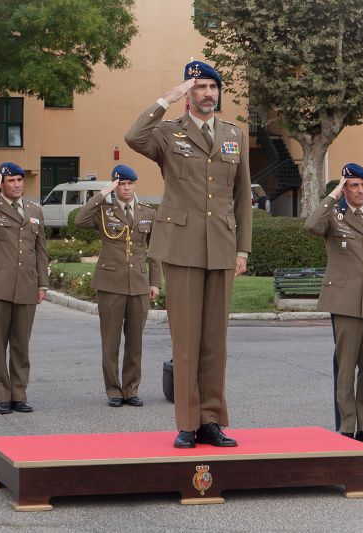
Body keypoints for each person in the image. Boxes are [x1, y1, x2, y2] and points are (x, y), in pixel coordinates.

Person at [125, 61, 252, 448]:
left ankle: (211, 420)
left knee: (215, 340)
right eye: (199, 87)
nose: (208, 93)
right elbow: (134, 137)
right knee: (186, 342)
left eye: (213, 87)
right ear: (189, 93)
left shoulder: (234, 134)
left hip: (221, 246)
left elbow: (241, 197)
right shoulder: (168, 133)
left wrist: (243, 249)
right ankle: (187, 422)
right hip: (181, 247)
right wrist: (167, 98)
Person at [304, 163, 363, 448]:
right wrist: (333, 194)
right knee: (346, 368)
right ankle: (346, 427)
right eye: (354, 185)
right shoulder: (334, 215)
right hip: (345, 301)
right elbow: (311, 225)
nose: (360, 191)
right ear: (344, 189)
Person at [74, 164, 162, 408]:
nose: (126, 188)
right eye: (121, 184)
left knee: (135, 343)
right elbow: (80, 220)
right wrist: (102, 194)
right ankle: (113, 389)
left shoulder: (147, 212)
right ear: (115, 187)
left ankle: (131, 389)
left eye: (130, 184)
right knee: (110, 342)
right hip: (111, 284)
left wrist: (155, 282)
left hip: (138, 284)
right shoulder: (104, 211)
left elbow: (155, 251)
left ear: (135, 185)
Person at [0, 162, 49, 415]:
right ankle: (3, 396)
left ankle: (19, 395)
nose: (16, 185)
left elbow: (40, 250)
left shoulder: (34, 210)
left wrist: (43, 283)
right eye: (11, 180)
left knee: (21, 345)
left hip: (26, 284)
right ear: (2, 183)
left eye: (19, 180)